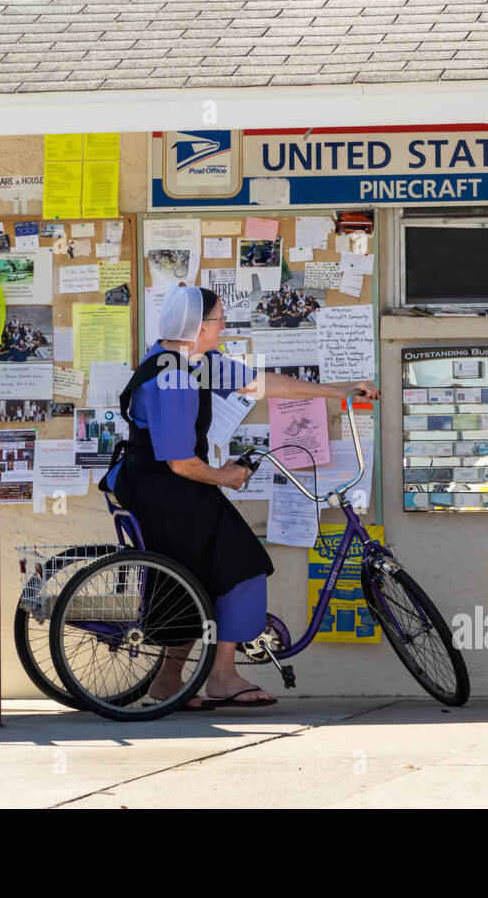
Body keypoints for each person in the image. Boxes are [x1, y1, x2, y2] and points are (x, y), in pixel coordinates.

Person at [103, 286, 379, 709]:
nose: (224, 327)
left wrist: (337, 391)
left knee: (195, 575)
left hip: (162, 484)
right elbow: (180, 462)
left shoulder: (189, 361)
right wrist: (225, 477)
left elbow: (261, 383)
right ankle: (223, 676)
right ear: (197, 327)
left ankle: (169, 682)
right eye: (218, 320)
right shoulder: (173, 377)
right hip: (167, 487)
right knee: (241, 566)